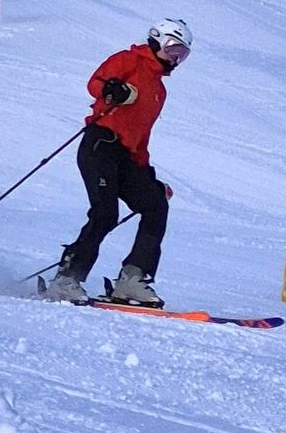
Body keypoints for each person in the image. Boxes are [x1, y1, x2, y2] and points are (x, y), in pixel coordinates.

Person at [44, 18, 193, 307]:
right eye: (173, 48)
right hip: (101, 144)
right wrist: (114, 90)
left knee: (155, 204)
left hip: (127, 156)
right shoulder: (129, 60)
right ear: (156, 40)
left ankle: (132, 280)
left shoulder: (159, 91)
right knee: (105, 213)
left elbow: (141, 136)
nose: (176, 58)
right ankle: (66, 279)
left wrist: (148, 177)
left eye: (182, 54)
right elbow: (96, 83)